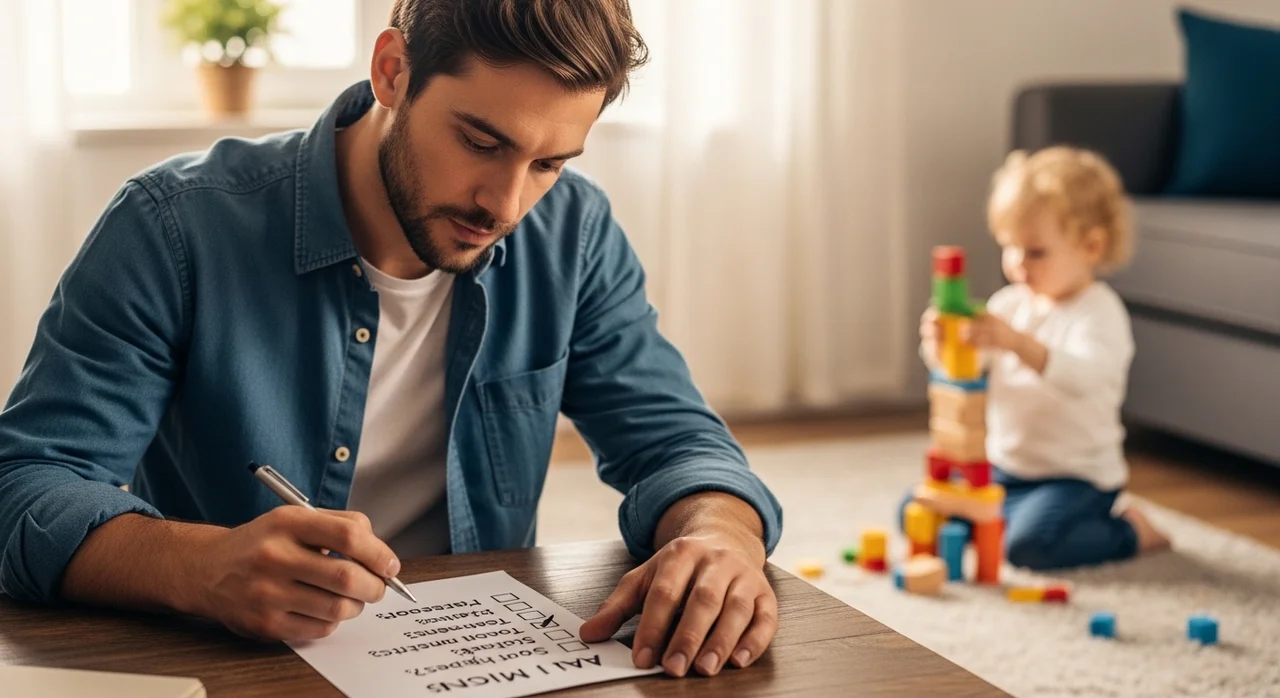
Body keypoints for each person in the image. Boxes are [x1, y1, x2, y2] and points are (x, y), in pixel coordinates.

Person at [0, 0, 782, 680]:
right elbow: (25, 486)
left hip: (471, 663)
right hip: (229, 665)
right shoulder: (172, 227)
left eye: (548, 163)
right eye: (481, 142)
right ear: (392, 69)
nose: (506, 204)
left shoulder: (572, 233)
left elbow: (678, 443)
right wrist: (201, 568)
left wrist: (719, 535)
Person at [916, 146, 1169, 570]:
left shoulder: (1099, 313)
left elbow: (1083, 378)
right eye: (1009, 247)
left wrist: (1018, 343)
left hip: (1075, 479)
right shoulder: (1011, 304)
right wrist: (942, 346)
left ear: (1091, 246)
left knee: (1031, 547)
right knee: (920, 509)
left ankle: (1129, 531)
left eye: (1035, 252)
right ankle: (1001, 522)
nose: (1017, 264)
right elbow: (969, 373)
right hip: (1005, 469)